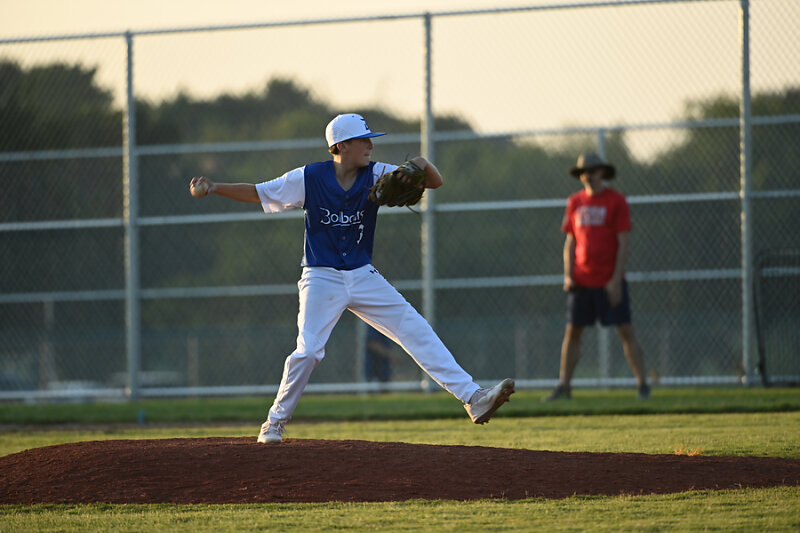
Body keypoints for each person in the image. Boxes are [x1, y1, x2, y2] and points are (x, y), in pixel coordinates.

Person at [189, 113, 515, 443]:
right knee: (309, 351)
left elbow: (435, 181)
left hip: (362, 274)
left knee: (414, 328)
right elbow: (258, 192)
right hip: (321, 276)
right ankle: (274, 422)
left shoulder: (375, 173)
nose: (370, 145)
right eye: (363, 140)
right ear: (341, 146)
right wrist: (215, 188)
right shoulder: (309, 177)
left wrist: (419, 162)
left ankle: (474, 398)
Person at [544, 153, 650, 401]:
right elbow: (570, 242)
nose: (587, 176)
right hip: (582, 281)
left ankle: (643, 385)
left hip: (609, 281)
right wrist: (569, 275)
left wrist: (615, 280)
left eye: (592, 171)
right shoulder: (575, 202)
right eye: (583, 172)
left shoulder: (616, 201)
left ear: (602, 172)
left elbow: (624, 242)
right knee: (573, 333)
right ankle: (564, 386)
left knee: (626, 331)